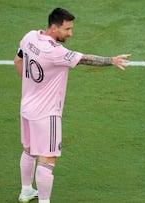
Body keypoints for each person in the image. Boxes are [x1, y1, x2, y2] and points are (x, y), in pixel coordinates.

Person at [13, 7, 131, 203]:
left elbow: (17, 61)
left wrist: (31, 87)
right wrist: (111, 60)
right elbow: (85, 59)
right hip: (46, 114)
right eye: (67, 29)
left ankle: (26, 191)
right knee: (47, 158)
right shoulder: (55, 52)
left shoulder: (30, 37)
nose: (71, 33)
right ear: (54, 27)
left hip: (26, 107)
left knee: (29, 149)